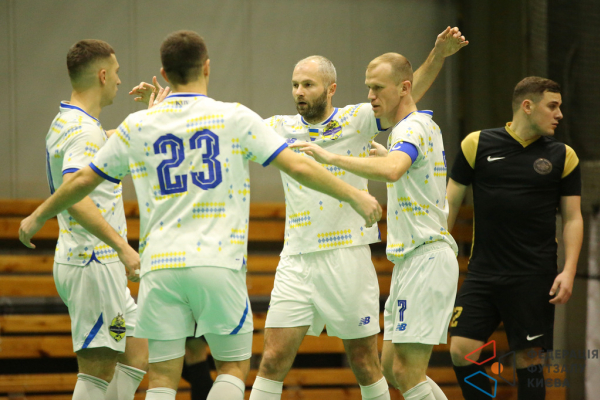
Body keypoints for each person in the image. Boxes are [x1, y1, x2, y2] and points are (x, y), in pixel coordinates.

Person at [19, 30, 382, 400]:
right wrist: (354, 194)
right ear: (207, 67)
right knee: (232, 367)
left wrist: (38, 216)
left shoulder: (138, 125)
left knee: (162, 376)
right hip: (217, 262)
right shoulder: (234, 117)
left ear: (164, 72)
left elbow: (81, 179)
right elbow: (299, 166)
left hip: (160, 266)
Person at [248, 28, 467, 400]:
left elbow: (405, 92)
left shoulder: (357, 119)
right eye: (295, 85)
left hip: (348, 256)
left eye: (308, 85)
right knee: (271, 360)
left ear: (330, 88)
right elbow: (229, 132)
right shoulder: (278, 128)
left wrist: (437, 56)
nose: (299, 91)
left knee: (368, 363)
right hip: (296, 258)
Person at [446, 76, 583, 400]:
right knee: (460, 350)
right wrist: (436, 255)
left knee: (529, 360)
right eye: (552, 106)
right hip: (483, 273)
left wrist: (569, 271)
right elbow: (448, 206)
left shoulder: (564, 155)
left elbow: (573, 218)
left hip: (533, 276)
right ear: (527, 106)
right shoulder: (477, 144)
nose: (559, 114)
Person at [41, 39, 148, 400]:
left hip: (91, 261)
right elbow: (74, 196)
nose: (119, 80)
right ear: (102, 75)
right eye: (116, 72)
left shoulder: (68, 120)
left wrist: (151, 118)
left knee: (138, 350)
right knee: (97, 369)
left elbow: (107, 141)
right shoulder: (84, 131)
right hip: (93, 262)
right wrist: (122, 248)